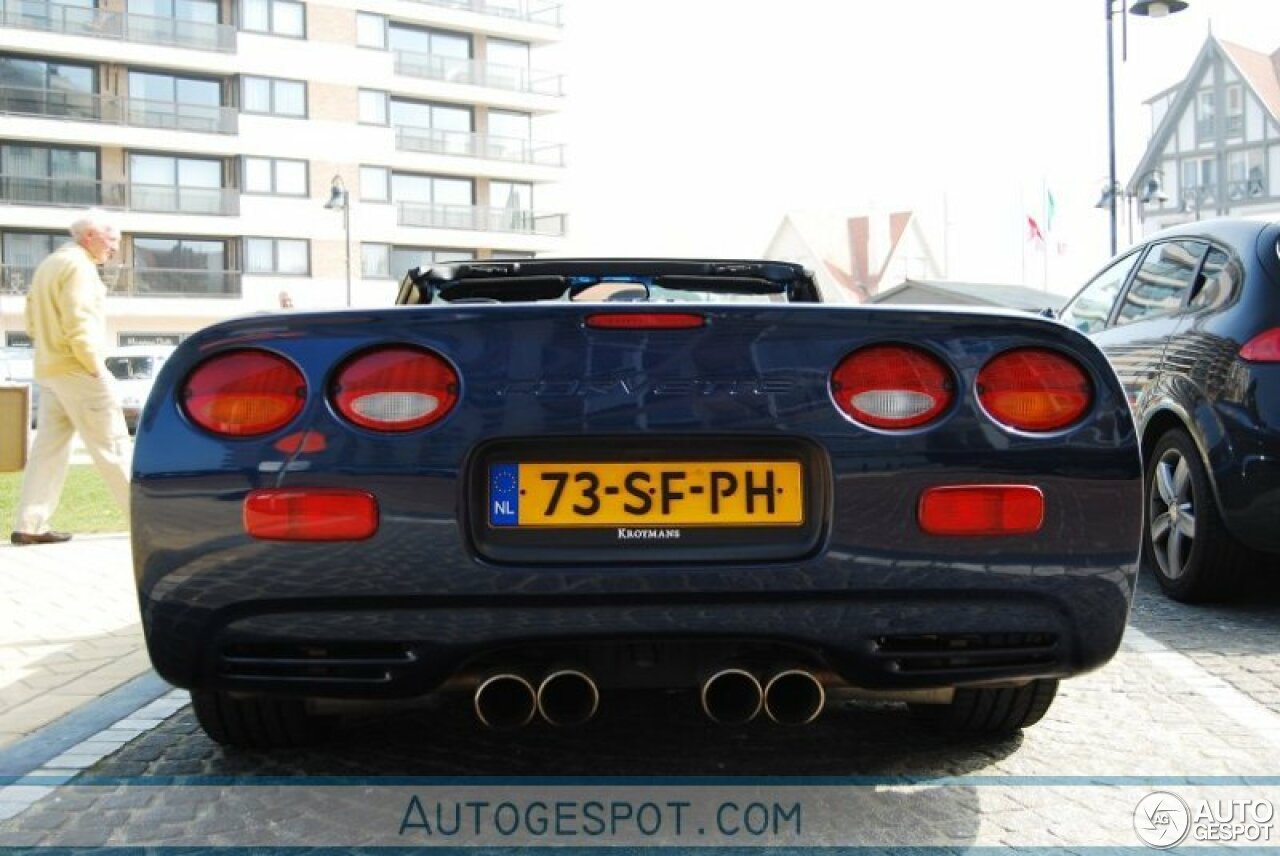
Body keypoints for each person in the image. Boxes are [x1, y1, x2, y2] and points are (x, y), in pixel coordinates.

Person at [10, 209, 130, 546]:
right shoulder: (80, 267)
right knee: (114, 447)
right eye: (112, 239)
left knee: (47, 452)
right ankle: (146, 523)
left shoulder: (50, 264)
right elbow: (80, 321)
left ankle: (29, 525)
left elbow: (32, 321)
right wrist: (94, 366)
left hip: (51, 371)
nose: (115, 248)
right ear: (89, 235)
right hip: (79, 371)